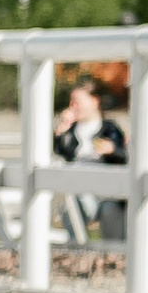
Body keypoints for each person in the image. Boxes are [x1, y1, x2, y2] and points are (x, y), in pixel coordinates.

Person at [52, 79, 127, 241]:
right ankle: (76, 248)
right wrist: (61, 133)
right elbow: (61, 154)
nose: (73, 106)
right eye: (72, 102)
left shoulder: (110, 128)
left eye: (78, 101)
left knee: (111, 211)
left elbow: (124, 156)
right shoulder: (70, 130)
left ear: (94, 101)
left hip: (107, 190)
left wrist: (112, 150)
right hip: (79, 189)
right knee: (73, 205)